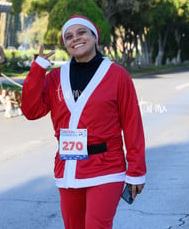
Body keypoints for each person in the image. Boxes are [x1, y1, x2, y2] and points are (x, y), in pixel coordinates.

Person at [21, 14, 146, 229]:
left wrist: (136, 170)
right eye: (69, 36)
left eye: (81, 33)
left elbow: (132, 123)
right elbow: (31, 111)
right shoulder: (55, 77)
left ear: (94, 37)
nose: (75, 39)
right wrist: (38, 68)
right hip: (69, 166)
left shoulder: (117, 76)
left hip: (106, 167)